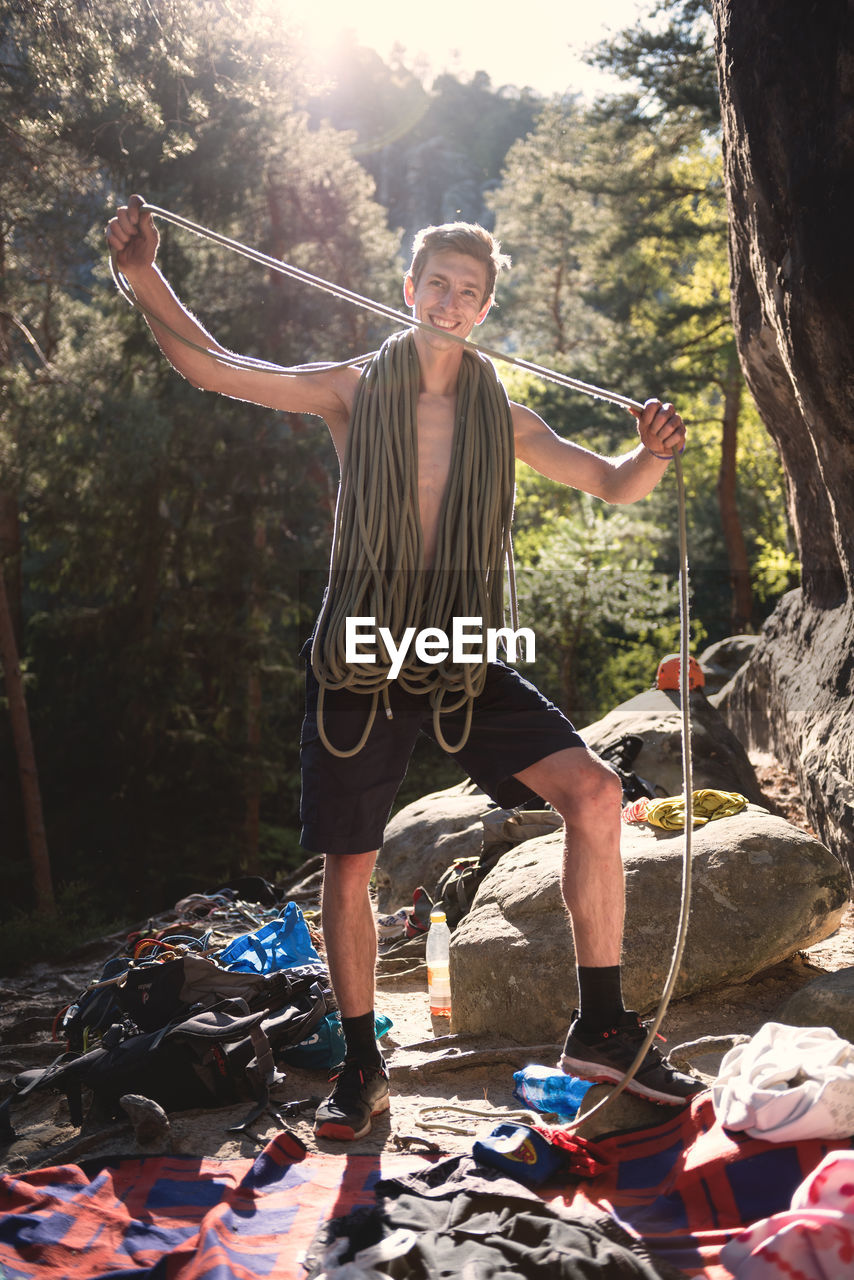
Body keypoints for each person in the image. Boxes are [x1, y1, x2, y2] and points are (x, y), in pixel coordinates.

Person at [106, 196, 701, 1141]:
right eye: (437, 284)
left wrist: (654, 451)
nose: (451, 301)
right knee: (352, 867)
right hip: (363, 646)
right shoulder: (353, 387)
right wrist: (142, 272)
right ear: (409, 290)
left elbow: (615, 481)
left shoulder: (505, 415)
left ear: (482, 308)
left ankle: (600, 1022)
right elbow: (214, 368)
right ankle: (361, 1066)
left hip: (459, 643)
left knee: (591, 793)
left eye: (470, 291)